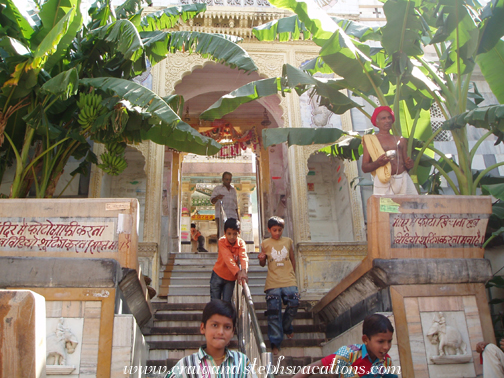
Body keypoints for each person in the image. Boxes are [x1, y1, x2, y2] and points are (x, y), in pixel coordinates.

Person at [165, 299, 257, 378]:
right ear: (202, 328)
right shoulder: (186, 365)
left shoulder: (242, 362)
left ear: (233, 331)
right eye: (215, 325)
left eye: (227, 327)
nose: (220, 332)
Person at [292, 313, 398, 378]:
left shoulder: (386, 361)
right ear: (365, 339)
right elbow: (311, 368)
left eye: (389, 341)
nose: (386, 347)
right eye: (380, 342)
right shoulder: (348, 354)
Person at [258, 216, 299, 356]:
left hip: (289, 280)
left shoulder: (288, 241)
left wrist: (293, 275)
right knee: (274, 312)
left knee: (294, 302)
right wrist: (262, 259)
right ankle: (275, 342)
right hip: (273, 282)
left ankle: (286, 326)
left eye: (280, 230)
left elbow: (292, 259)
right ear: (269, 230)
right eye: (274, 230)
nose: (277, 233)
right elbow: (263, 264)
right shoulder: (265, 243)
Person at [362, 106, 416, 195]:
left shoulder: (401, 140)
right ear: (377, 122)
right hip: (383, 181)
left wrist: (409, 165)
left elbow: (406, 165)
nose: (387, 120)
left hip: (403, 179)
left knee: (410, 207)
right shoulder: (370, 140)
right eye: (383, 118)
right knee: (386, 209)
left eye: (389, 117)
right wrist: (378, 163)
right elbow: (364, 168)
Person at [210, 218, 248, 303]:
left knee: (227, 303)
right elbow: (228, 258)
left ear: (239, 233)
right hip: (218, 275)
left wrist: (244, 271)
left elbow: (243, 257)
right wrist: (239, 272)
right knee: (215, 303)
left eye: (235, 234)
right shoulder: (222, 241)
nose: (232, 237)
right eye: (229, 234)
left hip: (230, 278)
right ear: (224, 233)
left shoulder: (241, 243)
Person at [211, 172, 239, 238]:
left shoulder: (233, 190)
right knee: (221, 233)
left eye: (230, 179)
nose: (228, 181)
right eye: (227, 179)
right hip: (221, 216)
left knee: (233, 234)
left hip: (232, 215)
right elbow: (212, 201)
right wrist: (217, 197)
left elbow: (236, 205)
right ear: (223, 179)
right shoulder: (217, 189)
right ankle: (221, 247)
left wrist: (238, 217)